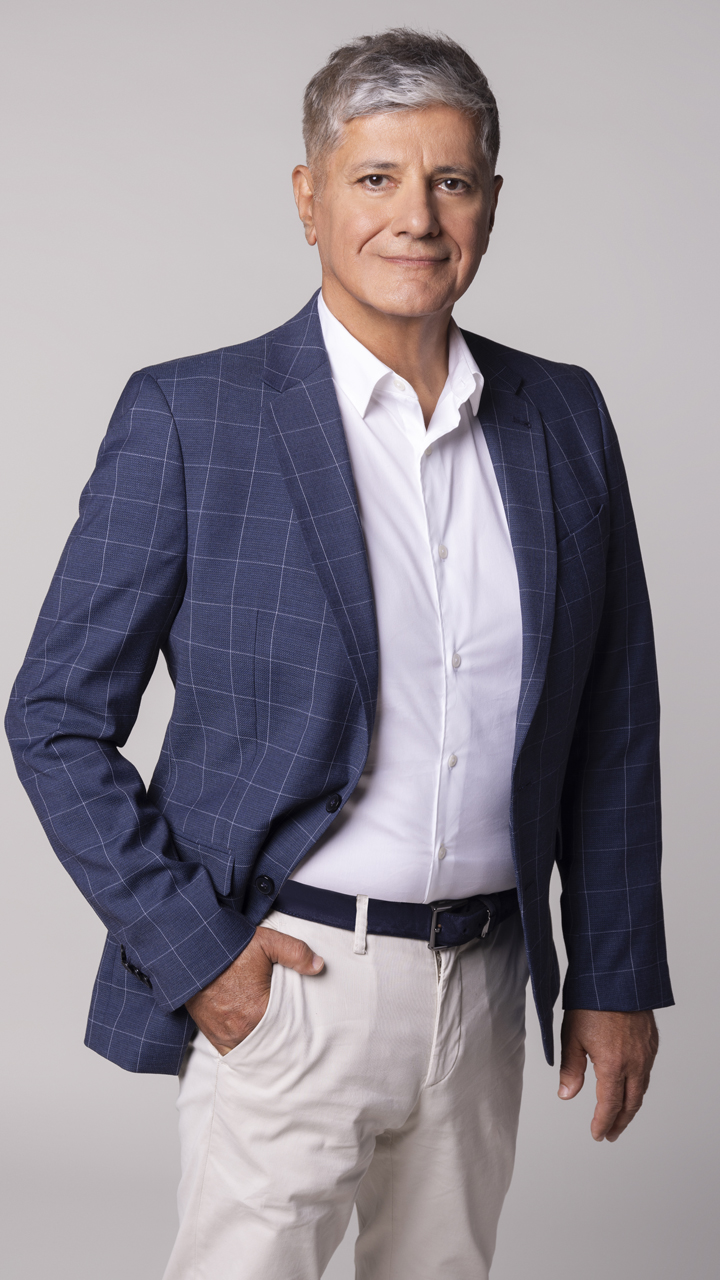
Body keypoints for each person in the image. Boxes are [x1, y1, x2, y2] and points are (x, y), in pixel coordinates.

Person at [5, 28, 672, 1280]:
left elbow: (613, 719)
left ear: (489, 204)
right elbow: (51, 716)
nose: (416, 216)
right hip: (291, 981)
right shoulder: (193, 416)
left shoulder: (564, 416)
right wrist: (200, 956)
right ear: (309, 199)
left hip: (489, 982)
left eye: (450, 180)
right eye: (376, 178)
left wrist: (616, 969)